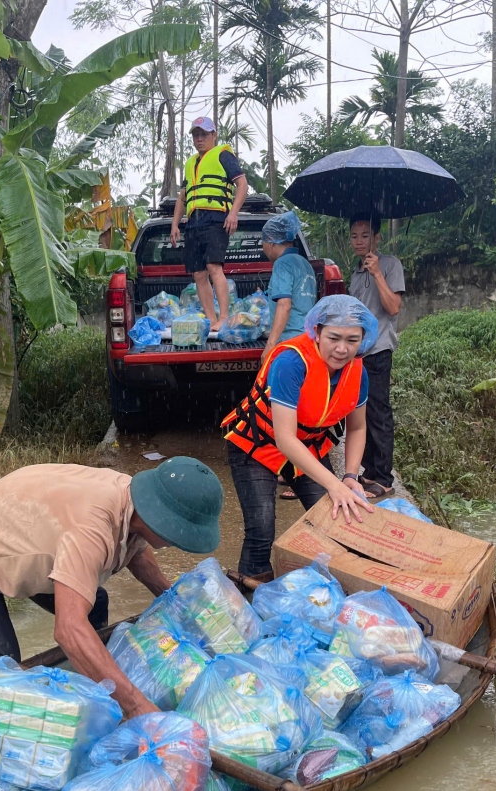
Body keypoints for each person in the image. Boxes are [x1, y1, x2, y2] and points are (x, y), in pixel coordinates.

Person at [0, 457, 224, 719]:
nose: (175, 543)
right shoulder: (90, 529)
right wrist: (135, 706)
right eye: (176, 536)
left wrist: (171, 599)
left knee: (93, 605)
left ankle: (91, 679)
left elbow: (137, 549)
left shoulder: (134, 499)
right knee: (4, 671)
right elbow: (68, 629)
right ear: (160, 521)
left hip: (24, 534)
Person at [221, 295, 378, 578]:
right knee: (261, 529)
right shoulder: (291, 363)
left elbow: (357, 427)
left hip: (308, 447)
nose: (342, 349)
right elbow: (285, 439)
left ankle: (331, 592)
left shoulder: (358, 372)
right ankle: (251, 600)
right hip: (257, 445)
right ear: (316, 332)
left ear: (363, 339)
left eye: (352, 340)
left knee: (335, 522)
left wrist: (350, 478)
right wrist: (334, 484)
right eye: (334, 337)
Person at [169, 117, 248, 331]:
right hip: (193, 221)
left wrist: (233, 213)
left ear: (214, 135)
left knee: (214, 267)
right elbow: (183, 198)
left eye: (204, 134)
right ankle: (212, 320)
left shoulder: (223, 155)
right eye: (196, 135)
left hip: (215, 217)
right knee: (198, 273)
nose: (199, 139)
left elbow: (242, 184)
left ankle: (223, 317)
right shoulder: (190, 163)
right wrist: (175, 225)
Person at [348, 215, 405, 498]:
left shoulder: (390, 265)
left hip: (379, 349)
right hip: (357, 354)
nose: (359, 241)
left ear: (377, 238)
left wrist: (378, 273)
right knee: (360, 412)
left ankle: (383, 477)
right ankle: (368, 472)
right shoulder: (356, 272)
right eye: (355, 236)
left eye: (365, 235)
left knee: (379, 412)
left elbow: (393, 307)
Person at [260, 211, 318, 358]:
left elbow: (284, 305)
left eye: (263, 243)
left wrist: (270, 345)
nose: (263, 249)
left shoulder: (282, 264)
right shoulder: (305, 264)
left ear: (271, 243)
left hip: (290, 343)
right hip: (308, 339)